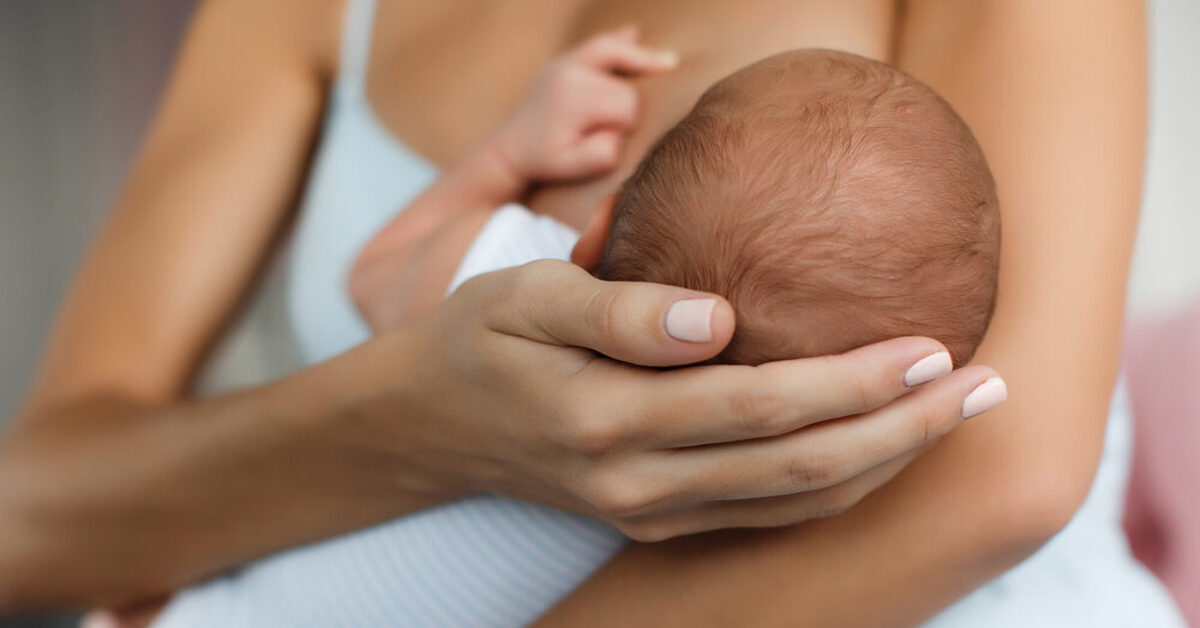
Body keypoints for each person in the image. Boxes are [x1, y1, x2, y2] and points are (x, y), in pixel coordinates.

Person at [0, 0, 1175, 626]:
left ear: (603, 231)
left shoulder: (503, 267)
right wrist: (419, 419)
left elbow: (1003, 478)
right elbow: (27, 520)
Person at [151, 42, 1005, 627]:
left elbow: (378, 274)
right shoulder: (783, 511)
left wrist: (510, 153)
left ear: (596, 229)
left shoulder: (522, 274)